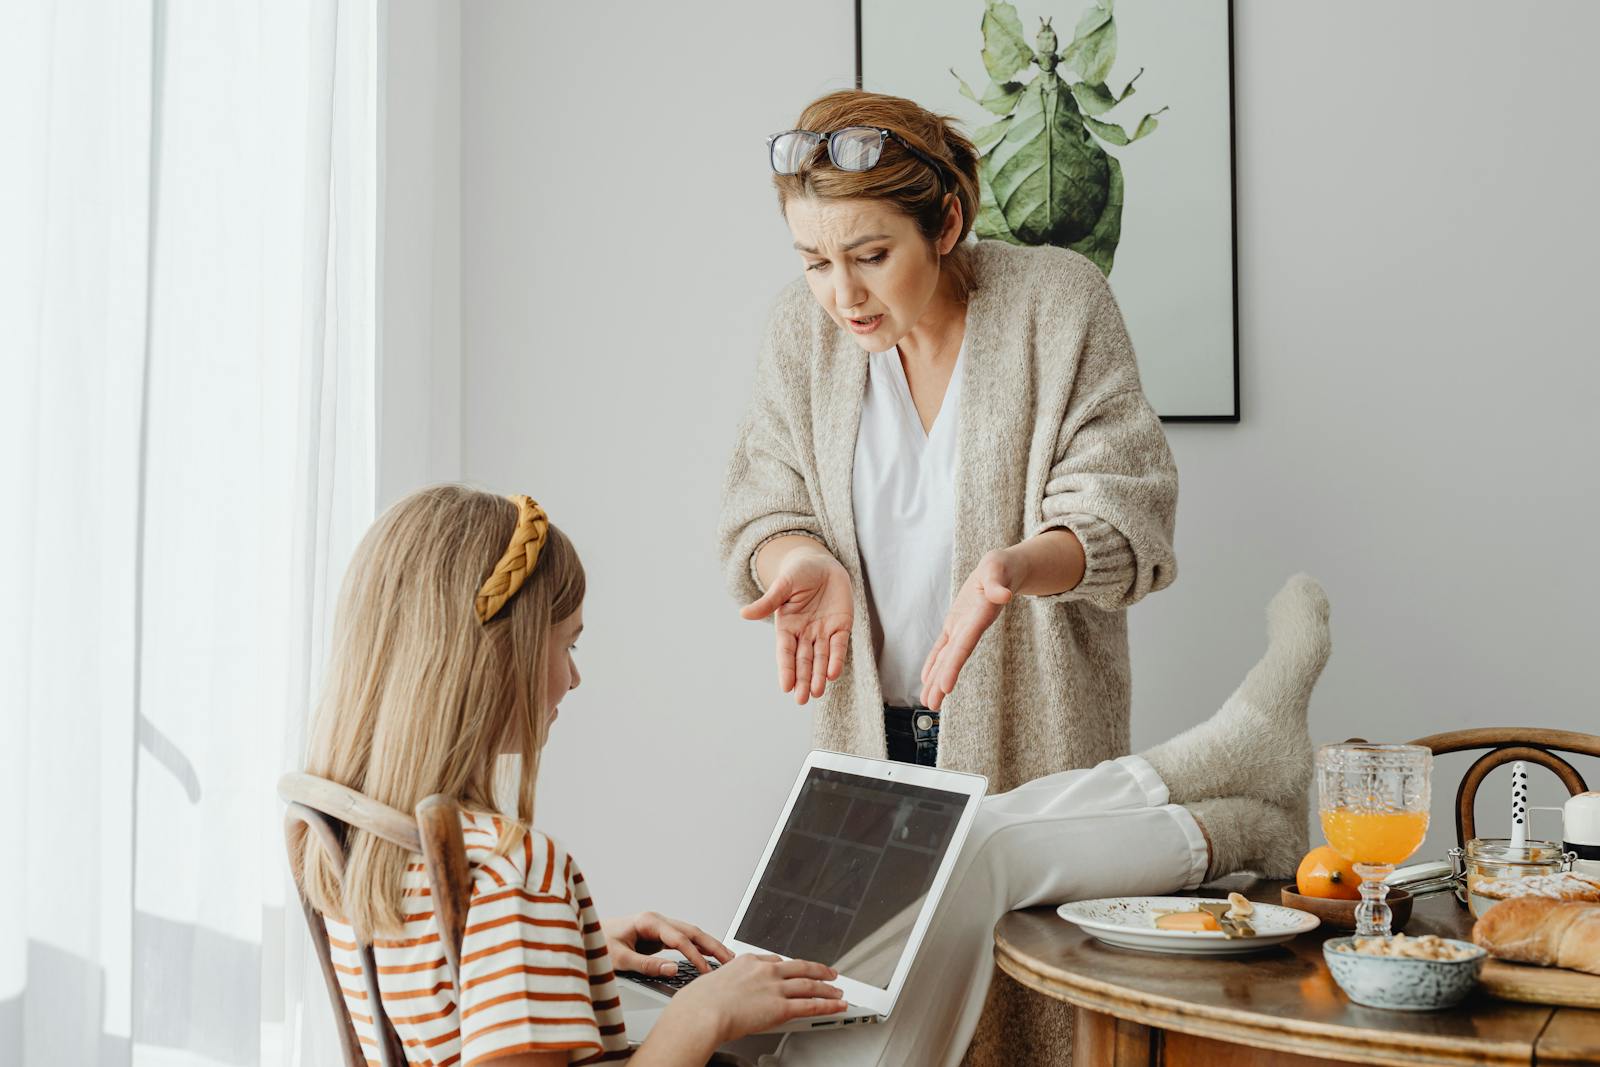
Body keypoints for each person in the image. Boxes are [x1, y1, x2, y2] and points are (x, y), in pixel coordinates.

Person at [290, 485, 1329, 1066]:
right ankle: (1236, 795)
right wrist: (700, 1017)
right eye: (562, 641)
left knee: (955, 835)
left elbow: (458, 1011)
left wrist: (580, 951)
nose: (572, 672)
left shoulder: (353, 840)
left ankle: (1241, 787)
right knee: (963, 853)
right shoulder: (507, 863)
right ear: (482, 662)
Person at [720, 89, 1177, 793]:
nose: (843, 295)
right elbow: (765, 502)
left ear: (946, 224)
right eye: (814, 262)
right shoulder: (801, 332)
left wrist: (1017, 568)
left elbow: (1123, 517)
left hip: (1042, 749)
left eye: (871, 255)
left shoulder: (1058, 303)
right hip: (867, 746)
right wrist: (803, 556)